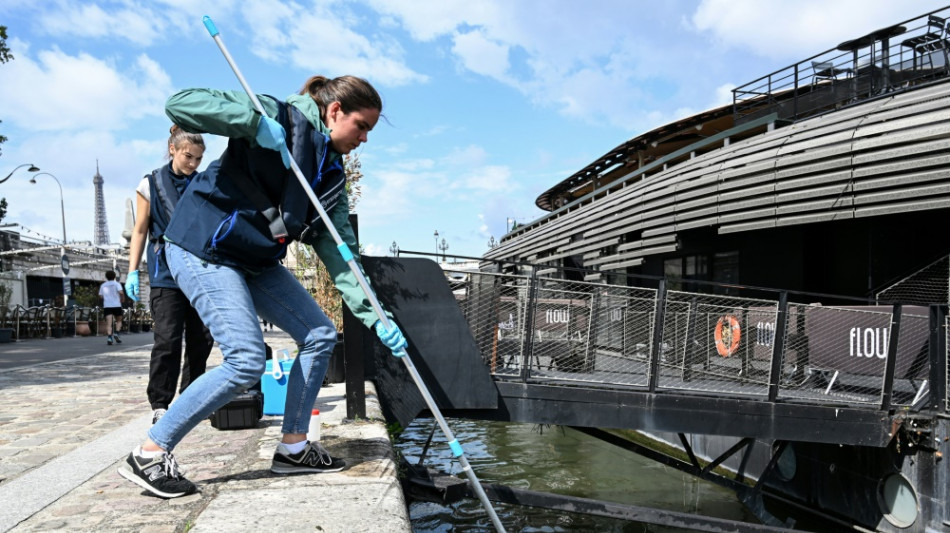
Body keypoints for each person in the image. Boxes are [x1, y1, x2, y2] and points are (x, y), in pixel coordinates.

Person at [118, 75, 409, 499]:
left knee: (319, 335)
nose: (364, 138)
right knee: (246, 359)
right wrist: (253, 124)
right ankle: (150, 452)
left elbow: (341, 253)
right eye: (361, 126)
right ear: (334, 111)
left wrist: (375, 315)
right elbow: (181, 104)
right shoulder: (275, 115)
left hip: (253, 259)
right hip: (202, 246)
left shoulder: (330, 175)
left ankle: (293, 447)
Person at [126, 126, 216, 425]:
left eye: (199, 159)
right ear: (172, 149)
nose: (193, 163)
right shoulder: (150, 183)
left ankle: (190, 397)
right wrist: (132, 271)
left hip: (198, 271)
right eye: (188, 156)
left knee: (202, 339)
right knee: (168, 340)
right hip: (165, 273)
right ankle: (160, 403)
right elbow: (140, 229)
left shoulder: (202, 183)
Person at [98, 270, 124, 345]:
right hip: (117, 305)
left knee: (109, 323)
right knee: (119, 321)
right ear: (114, 276)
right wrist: (122, 298)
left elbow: (100, 296)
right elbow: (121, 292)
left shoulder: (103, 285)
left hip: (107, 306)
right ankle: (116, 333)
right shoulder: (117, 284)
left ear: (106, 277)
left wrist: (106, 297)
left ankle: (109, 337)